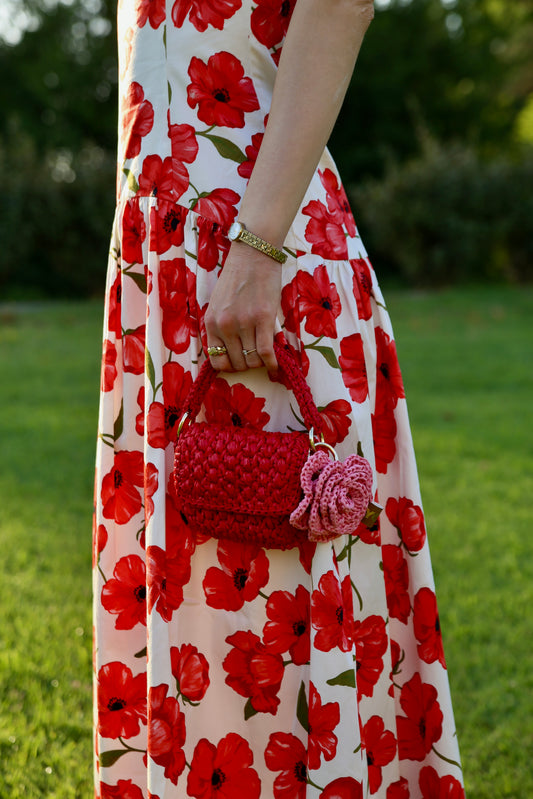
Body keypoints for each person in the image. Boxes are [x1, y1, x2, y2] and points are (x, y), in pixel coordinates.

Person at [93, 0, 465, 796]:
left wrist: (256, 251)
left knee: (278, 595)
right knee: (193, 589)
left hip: (255, 250)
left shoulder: (255, 251)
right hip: (164, 261)